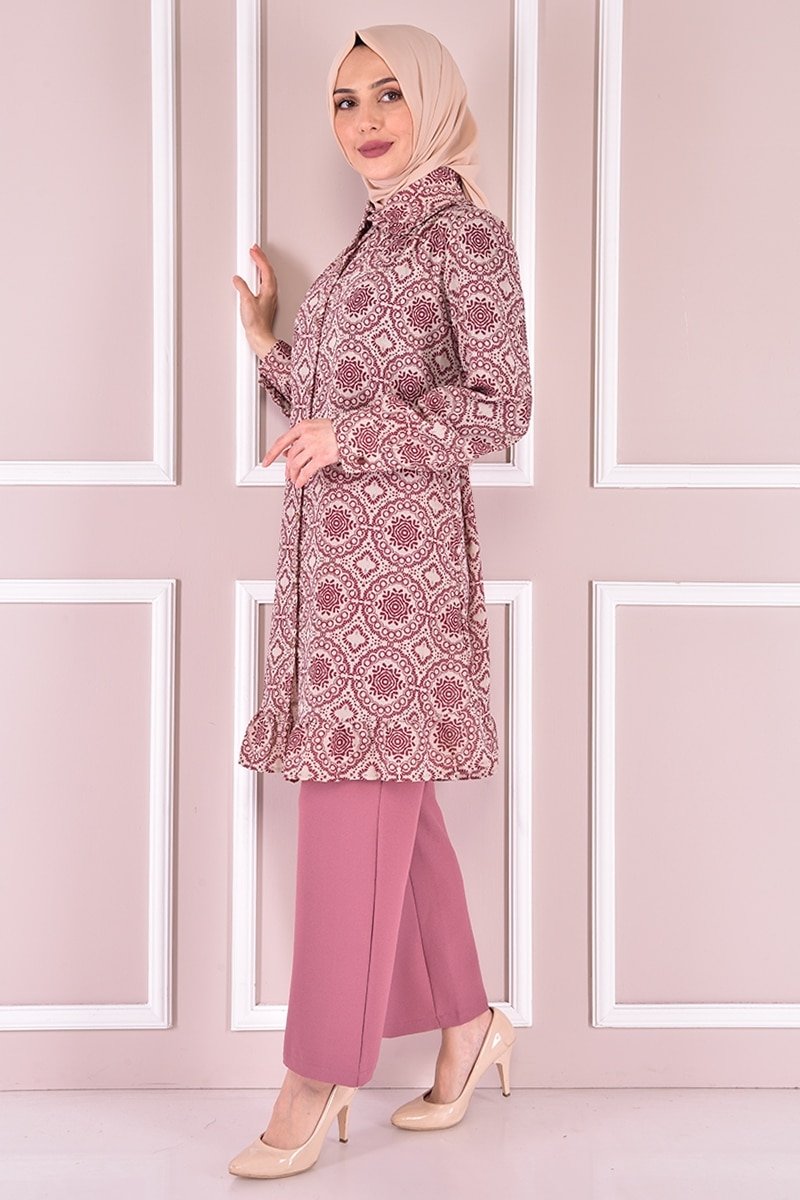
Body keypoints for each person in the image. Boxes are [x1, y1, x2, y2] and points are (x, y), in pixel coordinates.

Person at [228, 23, 531, 1180]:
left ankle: (314, 1076)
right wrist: (271, 347)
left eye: (389, 92)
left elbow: (501, 405)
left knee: (350, 808)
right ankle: (467, 1019)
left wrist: (348, 434)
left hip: (399, 586)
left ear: (434, 101)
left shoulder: (465, 236)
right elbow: (329, 406)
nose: (363, 117)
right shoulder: (367, 244)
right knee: (392, 807)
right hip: (329, 568)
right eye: (345, 98)